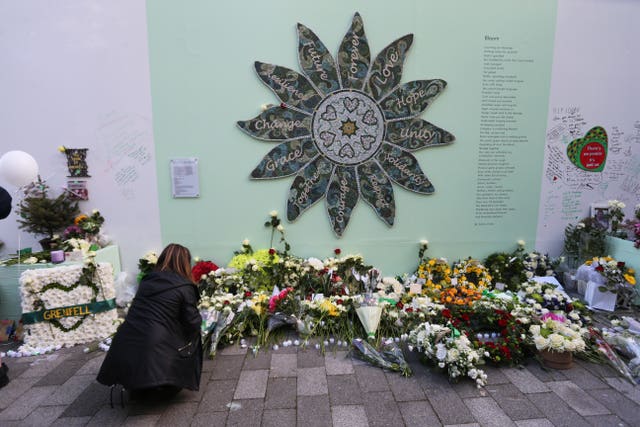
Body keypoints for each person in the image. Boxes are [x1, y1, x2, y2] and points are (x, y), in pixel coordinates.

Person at [97, 243, 202, 397]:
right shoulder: (184, 287)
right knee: (192, 333)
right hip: (156, 345)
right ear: (185, 263)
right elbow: (192, 322)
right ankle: (169, 379)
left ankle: (142, 382)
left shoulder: (147, 281)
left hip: (125, 341)